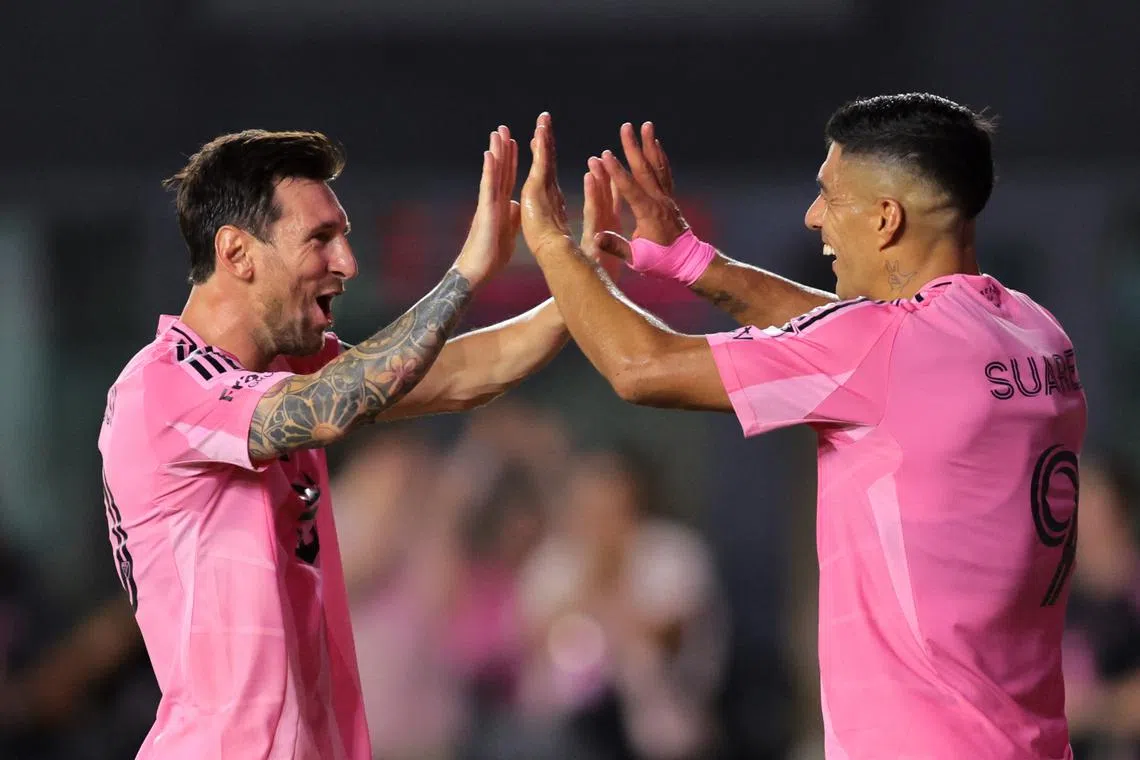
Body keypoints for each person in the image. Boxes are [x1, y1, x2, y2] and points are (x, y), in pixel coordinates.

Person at [517, 96, 1088, 759]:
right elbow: (855, 340)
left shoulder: (878, 353)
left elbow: (639, 368)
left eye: (828, 196)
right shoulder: (1035, 335)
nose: (814, 216)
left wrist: (553, 248)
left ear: (885, 218)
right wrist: (695, 263)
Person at [97, 124, 619, 760]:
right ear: (237, 253)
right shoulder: (165, 385)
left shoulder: (285, 374)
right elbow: (330, 409)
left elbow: (465, 373)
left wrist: (580, 274)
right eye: (320, 238)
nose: (347, 261)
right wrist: (468, 270)